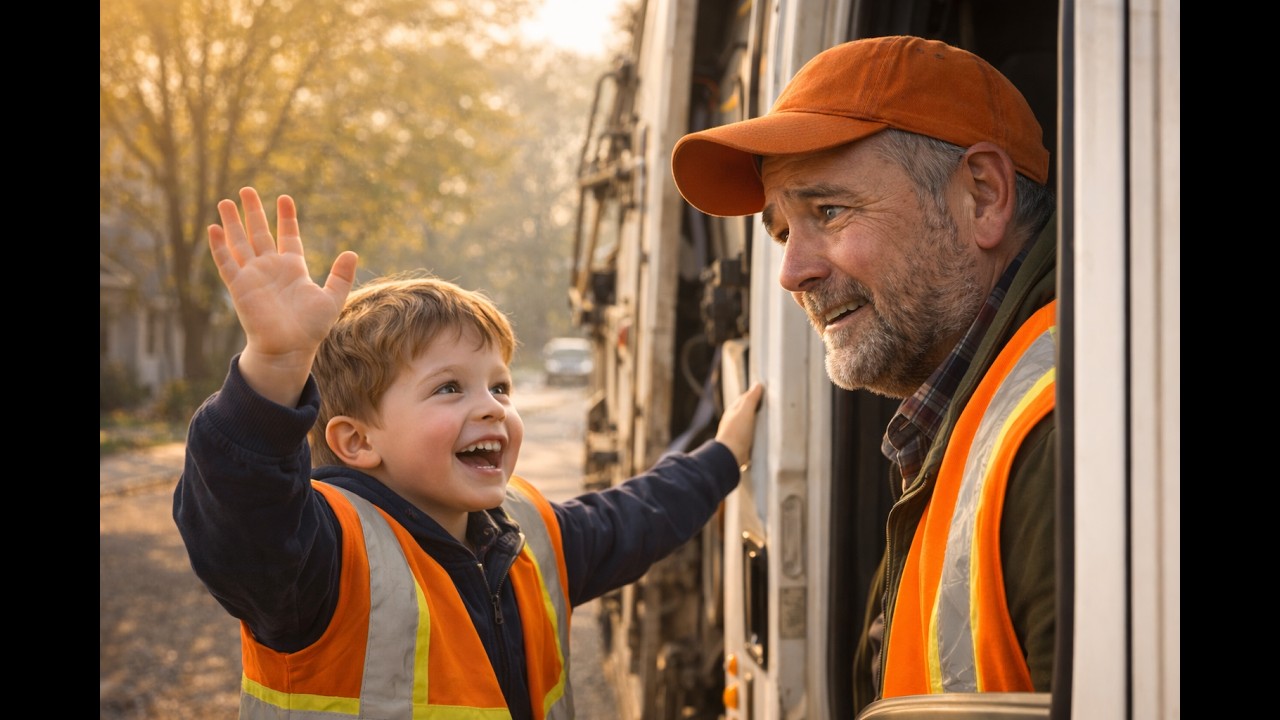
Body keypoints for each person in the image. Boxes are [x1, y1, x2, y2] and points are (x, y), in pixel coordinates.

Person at [173, 186, 764, 720]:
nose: (492, 409)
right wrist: (274, 367)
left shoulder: (525, 530)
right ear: (357, 441)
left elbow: (639, 516)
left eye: (500, 386)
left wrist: (723, 456)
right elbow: (242, 513)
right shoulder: (320, 560)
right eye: (449, 388)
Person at [669, 35, 1057, 712]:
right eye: (784, 231)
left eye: (829, 212)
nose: (792, 272)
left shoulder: (1068, 436)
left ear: (985, 196)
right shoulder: (981, 411)